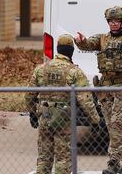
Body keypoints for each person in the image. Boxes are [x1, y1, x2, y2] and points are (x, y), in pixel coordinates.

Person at [74, 6, 122, 174]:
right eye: (111, 21)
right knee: (112, 127)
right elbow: (87, 44)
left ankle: (113, 163)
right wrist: (80, 41)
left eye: (117, 21)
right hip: (106, 89)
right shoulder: (103, 39)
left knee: (117, 124)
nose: (113, 24)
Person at [24, 34, 100, 174]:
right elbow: (85, 99)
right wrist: (95, 120)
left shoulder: (41, 69)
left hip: (45, 116)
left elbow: (29, 95)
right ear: (71, 51)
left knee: (44, 157)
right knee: (63, 158)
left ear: (58, 49)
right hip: (63, 120)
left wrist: (33, 112)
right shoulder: (74, 71)